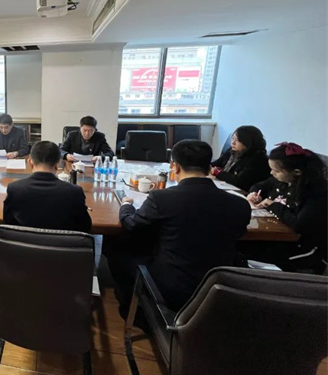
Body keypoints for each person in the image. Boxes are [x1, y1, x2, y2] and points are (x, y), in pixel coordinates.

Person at [107, 140, 251, 316]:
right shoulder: (240, 204)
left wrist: (126, 205)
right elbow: (239, 234)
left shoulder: (161, 198)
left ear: (174, 167)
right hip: (219, 288)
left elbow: (131, 224)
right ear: (209, 168)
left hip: (173, 289)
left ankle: (135, 310)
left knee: (116, 250)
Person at [244, 142, 327, 272]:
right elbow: (259, 186)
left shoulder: (316, 193)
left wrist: (273, 205)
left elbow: (299, 224)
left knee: (247, 254)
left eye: (276, 171)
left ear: (297, 172)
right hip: (277, 237)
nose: (271, 173)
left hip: (301, 247)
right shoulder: (283, 180)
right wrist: (254, 193)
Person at [3, 141, 91, 233]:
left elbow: (8, 222)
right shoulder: (74, 192)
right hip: (61, 241)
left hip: (24, 241)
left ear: (30, 162)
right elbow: (85, 227)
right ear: (58, 163)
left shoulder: (14, 189)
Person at [210, 125, 270, 191]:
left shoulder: (258, 159)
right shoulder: (232, 151)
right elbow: (215, 164)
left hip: (243, 192)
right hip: (225, 185)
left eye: (237, 140)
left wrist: (217, 172)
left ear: (248, 142)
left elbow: (239, 181)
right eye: (232, 139)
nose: (233, 143)